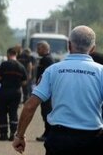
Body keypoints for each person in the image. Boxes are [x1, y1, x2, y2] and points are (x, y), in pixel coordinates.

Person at [12, 26, 103, 154]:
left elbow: (30, 106)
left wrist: (19, 136)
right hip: (92, 139)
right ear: (93, 48)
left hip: (60, 140)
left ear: (69, 45)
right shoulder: (101, 72)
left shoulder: (53, 70)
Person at [0, 47, 27, 141]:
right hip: (16, 92)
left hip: (4, 91)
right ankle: (13, 134)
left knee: (2, 113)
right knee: (13, 113)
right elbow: (25, 82)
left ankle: (3, 134)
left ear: (8, 54)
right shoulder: (21, 66)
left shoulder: (4, 64)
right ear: (16, 54)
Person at [34, 41, 56, 141]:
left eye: (39, 49)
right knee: (44, 112)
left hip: (47, 90)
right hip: (44, 89)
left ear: (44, 48)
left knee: (47, 111)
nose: (37, 51)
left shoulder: (48, 59)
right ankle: (47, 132)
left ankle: (48, 133)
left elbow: (46, 75)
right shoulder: (45, 59)